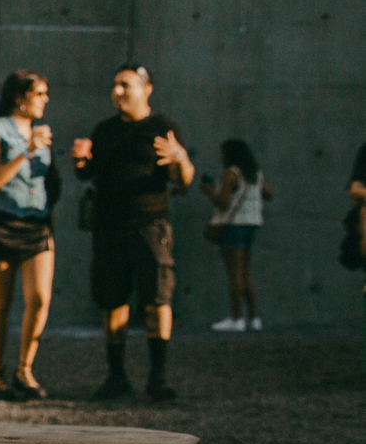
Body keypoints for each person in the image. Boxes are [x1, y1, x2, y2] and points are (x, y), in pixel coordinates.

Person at [71, 64, 194, 402]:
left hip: (150, 226)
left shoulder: (162, 128)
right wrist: (82, 162)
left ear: (147, 88)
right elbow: (88, 174)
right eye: (115, 85)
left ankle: (158, 377)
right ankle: (116, 376)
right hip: (109, 228)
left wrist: (180, 157)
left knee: (157, 300)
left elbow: (183, 179)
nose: (118, 92)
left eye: (126, 85)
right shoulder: (105, 129)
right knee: (113, 302)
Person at [0, 69, 56, 399]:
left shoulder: (40, 132)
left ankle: (25, 369)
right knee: (2, 302)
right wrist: (26, 149)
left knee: (39, 298)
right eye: (39, 94)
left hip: (37, 222)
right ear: (19, 98)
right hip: (1, 221)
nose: (45, 100)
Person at [199, 138, 273, 331]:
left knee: (234, 274)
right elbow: (269, 194)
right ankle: (254, 319)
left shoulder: (230, 174)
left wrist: (208, 192)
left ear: (230, 155)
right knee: (246, 272)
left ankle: (236, 318)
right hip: (253, 225)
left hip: (234, 226)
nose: (220, 156)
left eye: (223, 152)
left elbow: (223, 203)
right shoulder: (255, 174)